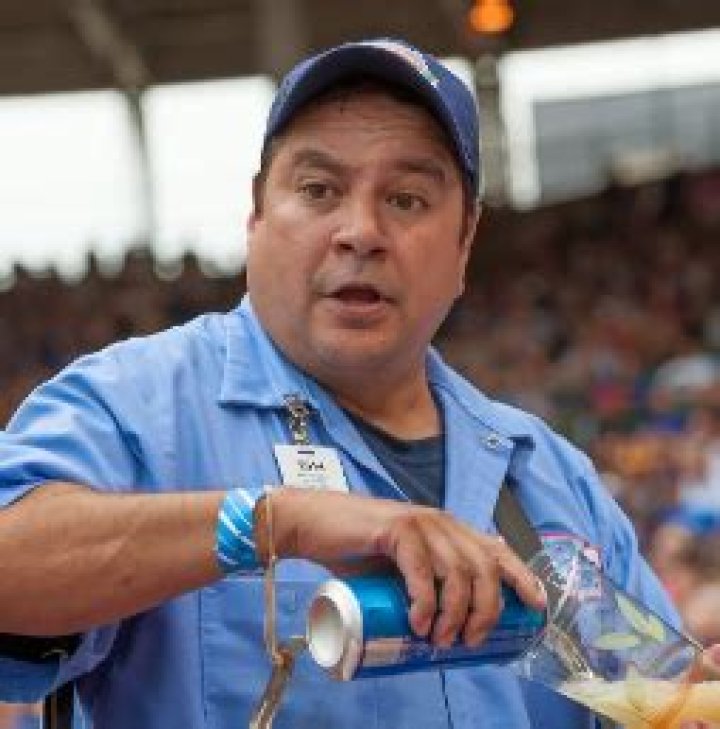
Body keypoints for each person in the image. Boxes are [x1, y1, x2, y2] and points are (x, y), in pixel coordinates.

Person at [0, 38, 716, 729]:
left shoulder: (554, 478)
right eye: (318, 189)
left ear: (465, 241)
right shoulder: (136, 408)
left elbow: (667, 704)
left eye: (407, 199)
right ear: (256, 213)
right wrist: (275, 523)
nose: (360, 231)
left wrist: (696, 709)